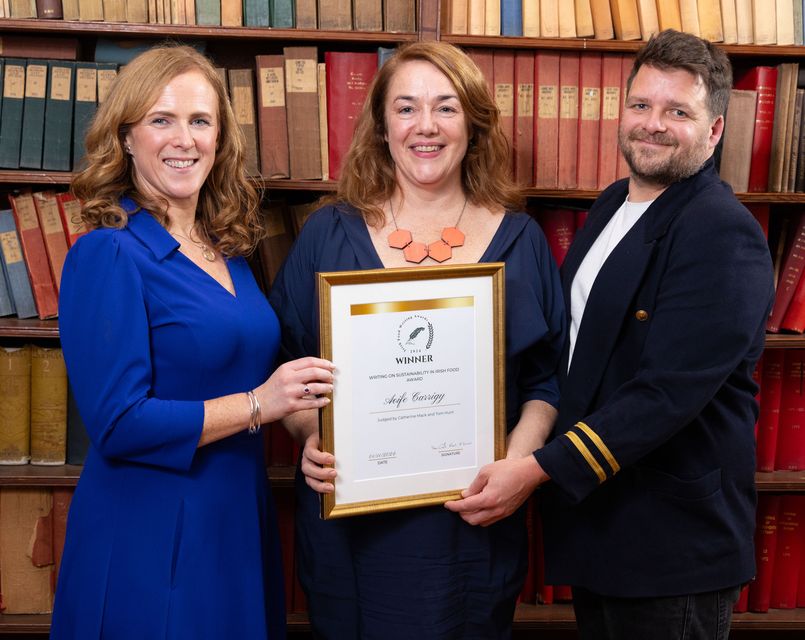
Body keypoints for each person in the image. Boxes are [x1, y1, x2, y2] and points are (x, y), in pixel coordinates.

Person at [268, 41, 565, 638]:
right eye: (405, 108)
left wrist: (516, 463)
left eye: (445, 108)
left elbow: (547, 380)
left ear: (473, 124)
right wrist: (309, 437)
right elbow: (286, 367)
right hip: (351, 523)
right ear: (381, 126)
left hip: (474, 519)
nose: (424, 126)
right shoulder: (329, 232)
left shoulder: (523, 239)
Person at [50, 45, 334, 640]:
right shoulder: (108, 253)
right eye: (162, 119)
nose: (184, 139)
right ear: (126, 137)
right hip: (150, 532)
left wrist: (307, 427)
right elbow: (119, 423)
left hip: (234, 517)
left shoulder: (227, 250)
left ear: (220, 138)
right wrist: (261, 404)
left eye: (200, 121)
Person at [513, 29, 771, 639]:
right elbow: (580, 350)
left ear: (712, 131)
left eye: (677, 111)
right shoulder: (610, 205)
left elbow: (663, 397)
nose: (652, 124)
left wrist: (533, 469)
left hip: (670, 545)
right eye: (641, 105)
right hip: (602, 527)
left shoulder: (721, 232)